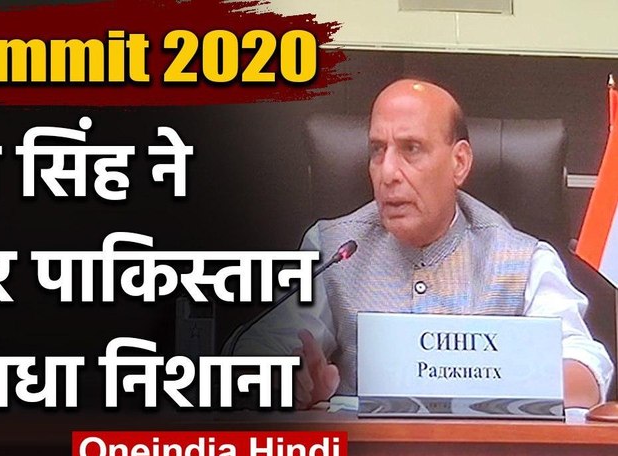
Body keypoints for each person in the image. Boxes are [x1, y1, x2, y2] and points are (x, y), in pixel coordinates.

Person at [232, 78, 614, 409]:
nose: (388, 172)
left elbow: (586, 370)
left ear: (459, 162)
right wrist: (290, 382)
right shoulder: (334, 248)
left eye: (411, 149)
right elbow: (261, 351)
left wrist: (489, 385)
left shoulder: (523, 259)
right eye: (377, 150)